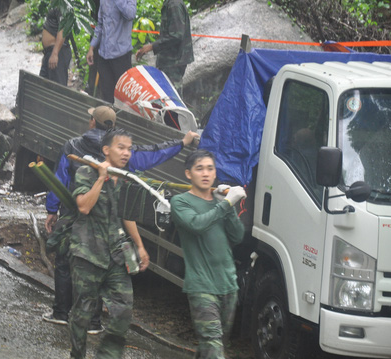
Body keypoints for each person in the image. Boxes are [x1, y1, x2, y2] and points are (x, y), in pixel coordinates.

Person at [42, 105, 199, 333]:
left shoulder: (72, 145)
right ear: (112, 130)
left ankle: (60, 313)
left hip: (74, 215)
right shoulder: (123, 155)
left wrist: (51, 210)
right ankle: (93, 323)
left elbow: (60, 178)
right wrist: (182, 143)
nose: (125, 152)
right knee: (97, 268)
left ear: (92, 122)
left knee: (65, 262)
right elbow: (153, 153)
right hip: (105, 225)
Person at [69, 128, 149, 359]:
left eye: (129, 149)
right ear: (106, 150)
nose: (126, 153)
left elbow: (127, 216)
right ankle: (77, 355)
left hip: (116, 256)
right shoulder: (87, 171)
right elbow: (84, 206)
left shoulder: (126, 179)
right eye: (121, 147)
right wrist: (102, 178)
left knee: (123, 311)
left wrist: (140, 246)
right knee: (82, 314)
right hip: (88, 254)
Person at [170, 150, 246, 358]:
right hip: (202, 286)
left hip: (228, 285)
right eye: (199, 168)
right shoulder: (180, 202)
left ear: (215, 174)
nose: (205, 173)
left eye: (210, 169)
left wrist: (228, 206)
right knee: (213, 344)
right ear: (188, 174)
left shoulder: (219, 202)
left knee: (211, 345)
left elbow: (237, 235)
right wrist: (226, 203)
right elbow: (196, 225)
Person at [135, 0, 194, 95]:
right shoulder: (170, 3)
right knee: (165, 96)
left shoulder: (174, 4)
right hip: (169, 60)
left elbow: (177, 35)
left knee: (172, 98)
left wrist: (152, 46)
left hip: (174, 61)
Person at [86, 0, 137, 103]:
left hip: (121, 56)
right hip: (104, 56)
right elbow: (100, 24)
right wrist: (91, 47)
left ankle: (119, 119)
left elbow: (130, 14)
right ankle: (107, 118)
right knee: (106, 96)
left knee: (123, 97)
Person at [40, 8, 72, 86]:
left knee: (57, 90)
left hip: (58, 52)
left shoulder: (61, 4)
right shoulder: (55, 4)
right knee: (43, 88)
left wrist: (55, 53)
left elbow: (63, 30)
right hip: (50, 52)